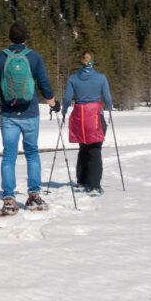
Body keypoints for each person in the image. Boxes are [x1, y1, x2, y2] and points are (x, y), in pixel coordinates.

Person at [0, 21, 57, 215]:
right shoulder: (34, 57)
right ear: (25, 39)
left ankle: (9, 198)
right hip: (30, 113)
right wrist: (53, 103)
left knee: (9, 155)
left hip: (8, 114)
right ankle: (34, 195)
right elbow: (44, 84)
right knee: (32, 153)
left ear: (9, 38)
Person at [62, 49, 114, 197]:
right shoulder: (101, 78)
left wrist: (64, 110)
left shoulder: (73, 78)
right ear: (92, 61)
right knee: (95, 150)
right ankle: (94, 186)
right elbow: (108, 98)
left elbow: (67, 98)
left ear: (81, 61)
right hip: (95, 117)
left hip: (80, 117)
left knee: (83, 148)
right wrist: (110, 108)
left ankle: (81, 182)